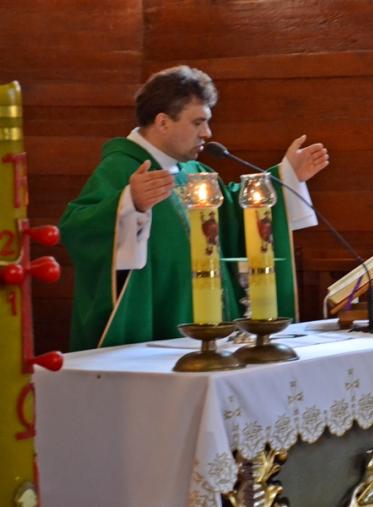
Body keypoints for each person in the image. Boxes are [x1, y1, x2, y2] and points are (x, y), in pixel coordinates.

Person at [59, 66, 328, 351]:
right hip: (150, 336)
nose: (207, 133)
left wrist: (286, 177)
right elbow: (77, 229)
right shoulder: (121, 168)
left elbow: (237, 218)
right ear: (163, 122)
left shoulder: (195, 172)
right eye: (198, 122)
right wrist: (129, 204)